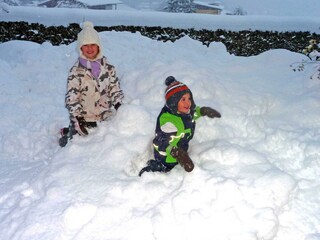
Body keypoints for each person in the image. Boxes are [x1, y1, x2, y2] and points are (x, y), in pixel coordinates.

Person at [139, 76, 221, 176]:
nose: (188, 103)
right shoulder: (168, 122)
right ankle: (159, 166)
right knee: (168, 167)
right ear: (174, 101)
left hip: (181, 150)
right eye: (183, 99)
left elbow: (191, 116)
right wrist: (176, 153)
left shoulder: (184, 112)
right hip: (167, 157)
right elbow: (161, 143)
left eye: (189, 98)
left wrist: (202, 111)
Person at [59, 21, 124, 147]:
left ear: (98, 46)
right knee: (75, 145)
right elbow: (72, 98)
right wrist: (78, 118)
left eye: (93, 45)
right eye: (85, 45)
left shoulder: (108, 67)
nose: (89, 48)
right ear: (80, 48)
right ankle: (66, 133)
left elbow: (114, 89)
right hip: (84, 118)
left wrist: (118, 105)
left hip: (104, 116)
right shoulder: (75, 71)